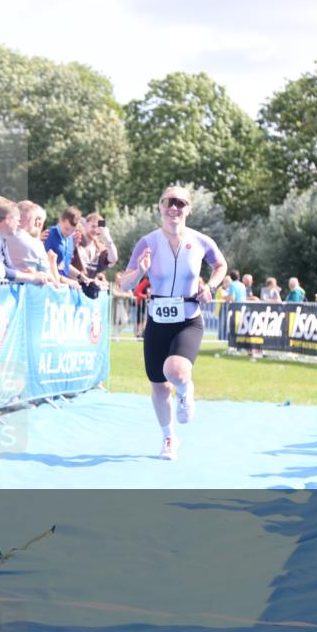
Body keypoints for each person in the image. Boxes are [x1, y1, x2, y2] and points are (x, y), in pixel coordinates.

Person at [120, 186, 227, 461]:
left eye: (181, 203)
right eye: (169, 202)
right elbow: (124, 282)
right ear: (160, 206)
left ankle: (185, 387)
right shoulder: (147, 242)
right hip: (157, 322)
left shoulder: (201, 241)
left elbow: (221, 266)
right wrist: (140, 271)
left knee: (176, 370)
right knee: (158, 385)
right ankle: (169, 437)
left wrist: (211, 287)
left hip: (188, 321)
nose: (174, 208)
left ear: (188, 209)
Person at [44, 206, 84, 288]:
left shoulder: (70, 238)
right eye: (67, 229)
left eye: (73, 230)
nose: (69, 233)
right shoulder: (49, 235)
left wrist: (81, 277)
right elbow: (47, 265)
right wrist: (66, 281)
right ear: (60, 220)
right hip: (51, 286)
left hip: (63, 286)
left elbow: (65, 264)